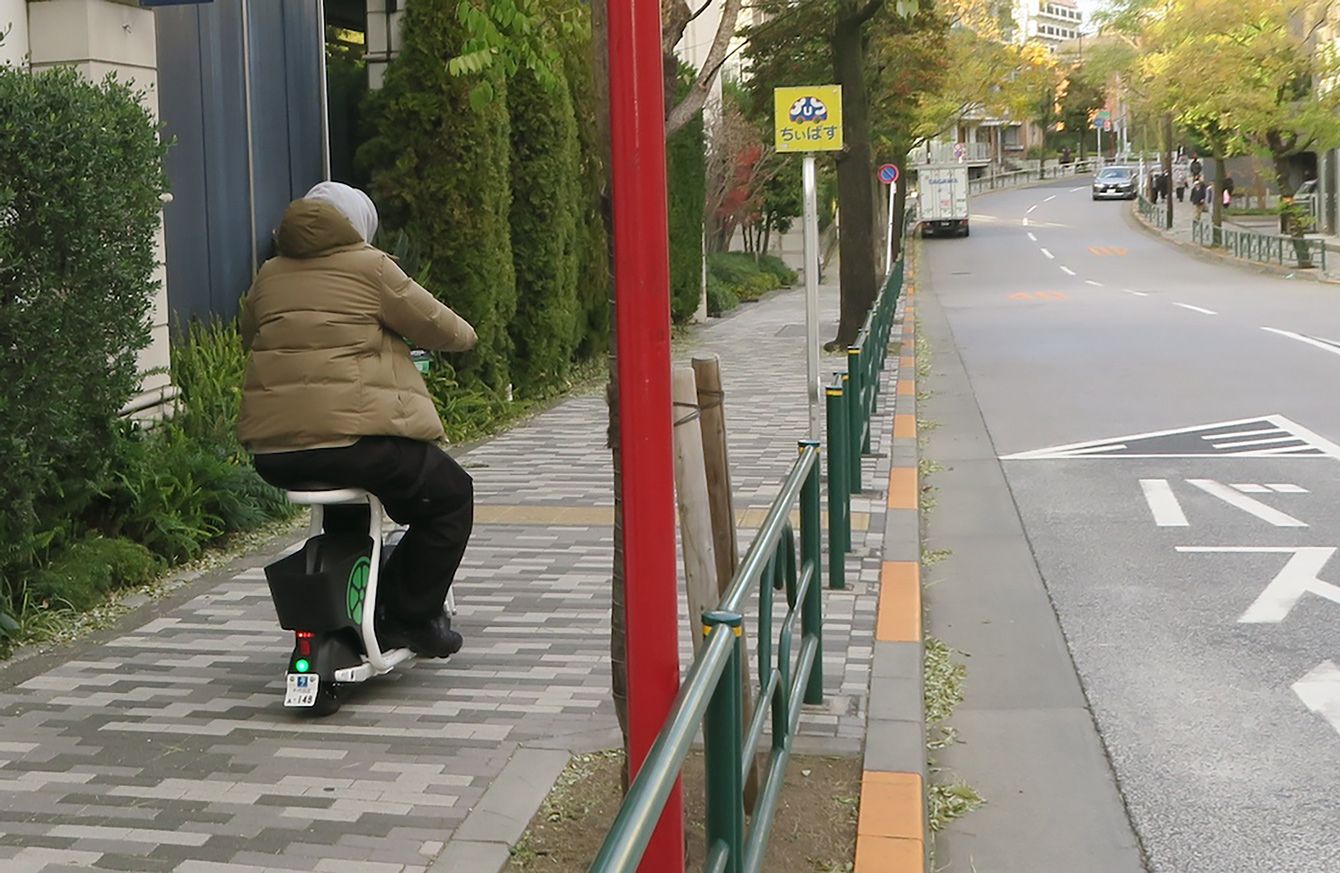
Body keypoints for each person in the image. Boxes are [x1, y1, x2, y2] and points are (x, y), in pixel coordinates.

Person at [238, 181, 478, 658]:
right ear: (358, 225)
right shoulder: (371, 267)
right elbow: (451, 331)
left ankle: (348, 608)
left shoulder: (269, 273)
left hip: (275, 454)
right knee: (450, 498)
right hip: (353, 446)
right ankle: (409, 617)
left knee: (349, 512)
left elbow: (250, 335)